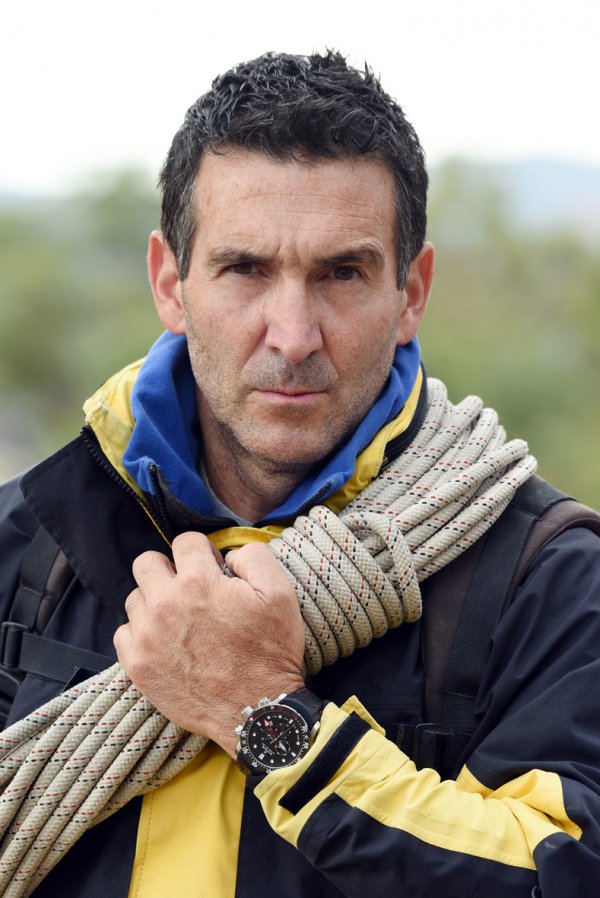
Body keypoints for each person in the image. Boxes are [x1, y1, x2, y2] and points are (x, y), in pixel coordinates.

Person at [1, 50, 599, 898]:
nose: (292, 335)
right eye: (245, 269)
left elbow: (561, 877)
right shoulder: (28, 547)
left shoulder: (548, 581)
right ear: (170, 282)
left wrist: (267, 715)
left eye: (342, 273)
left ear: (411, 292)